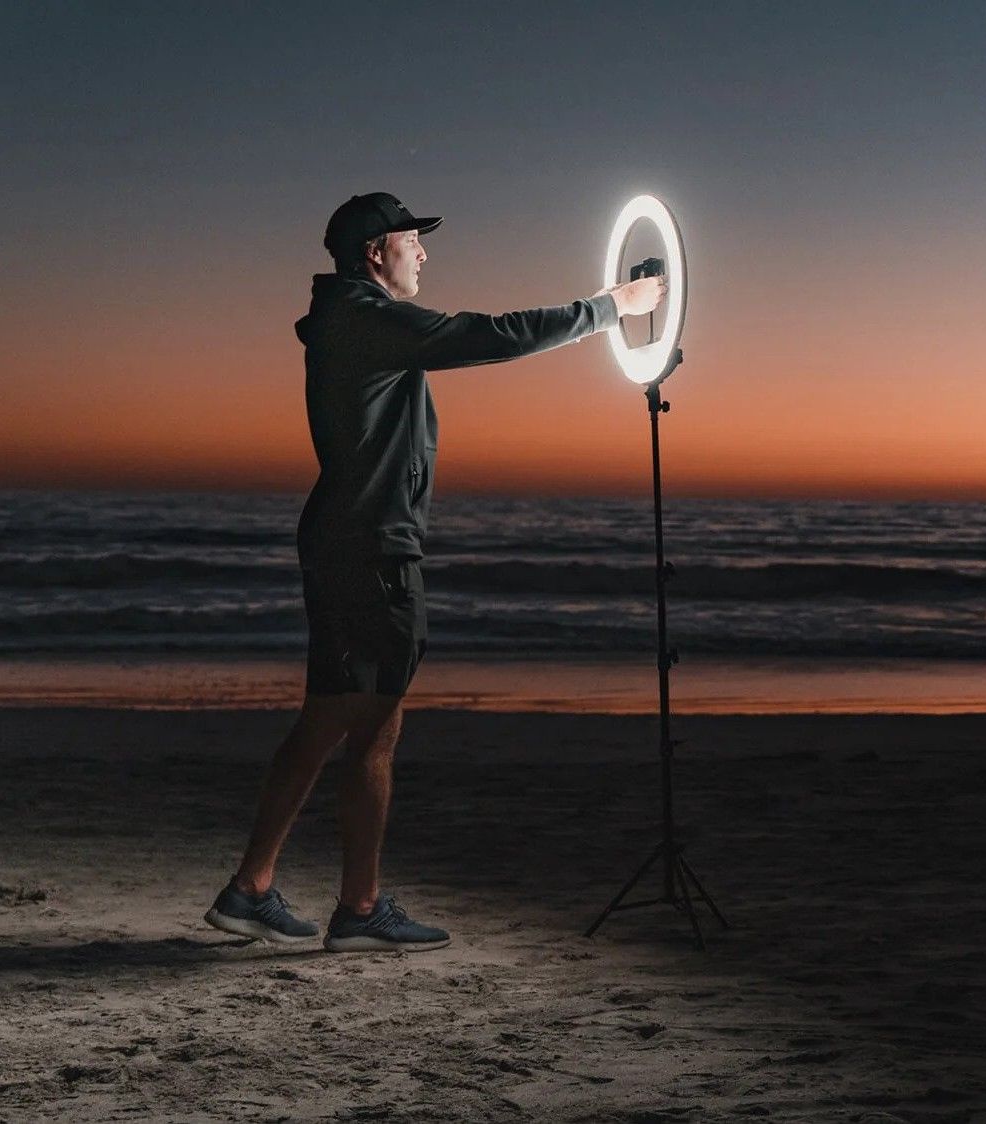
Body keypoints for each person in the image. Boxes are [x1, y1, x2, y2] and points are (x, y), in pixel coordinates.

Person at [204, 192, 665, 952]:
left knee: (326, 717)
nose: (424, 253)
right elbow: (486, 336)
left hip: (344, 538)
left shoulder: (350, 320)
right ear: (375, 253)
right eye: (413, 241)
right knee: (376, 726)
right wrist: (611, 306)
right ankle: (358, 910)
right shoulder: (368, 318)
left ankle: (250, 889)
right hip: (372, 547)